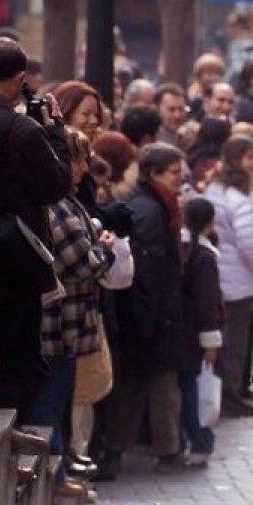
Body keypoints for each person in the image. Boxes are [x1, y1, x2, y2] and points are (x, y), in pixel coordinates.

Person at [0, 38, 71, 440]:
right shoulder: (23, 130)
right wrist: (56, 134)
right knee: (24, 361)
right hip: (14, 261)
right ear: (21, 78)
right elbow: (56, 184)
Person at [100, 143, 187, 478]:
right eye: (174, 173)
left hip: (146, 315)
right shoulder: (151, 211)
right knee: (155, 385)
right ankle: (165, 451)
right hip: (150, 317)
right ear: (154, 174)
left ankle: (117, 451)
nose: (179, 179)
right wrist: (149, 320)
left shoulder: (150, 204)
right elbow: (147, 270)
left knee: (135, 385)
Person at [35, 129, 113, 499]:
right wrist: (105, 250)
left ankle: (59, 466)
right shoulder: (58, 207)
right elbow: (84, 262)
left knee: (60, 397)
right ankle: (51, 470)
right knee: (51, 399)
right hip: (59, 323)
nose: (84, 167)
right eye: (79, 159)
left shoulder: (66, 201)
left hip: (68, 322)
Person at [202, 135, 253, 417]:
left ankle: (231, 394)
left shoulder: (214, 188)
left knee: (228, 342)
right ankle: (230, 397)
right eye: (249, 157)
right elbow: (249, 245)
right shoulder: (241, 197)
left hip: (221, 276)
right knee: (235, 345)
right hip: (238, 280)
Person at [178, 197, 224, 467]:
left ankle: (193, 439)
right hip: (197, 334)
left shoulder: (182, 250)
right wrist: (211, 342)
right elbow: (208, 303)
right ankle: (200, 441)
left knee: (188, 388)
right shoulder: (204, 257)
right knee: (195, 390)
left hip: (182, 331)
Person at [155, 83, 187, 147]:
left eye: (181, 109)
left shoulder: (188, 139)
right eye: (172, 109)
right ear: (158, 110)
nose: (177, 115)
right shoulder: (153, 143)